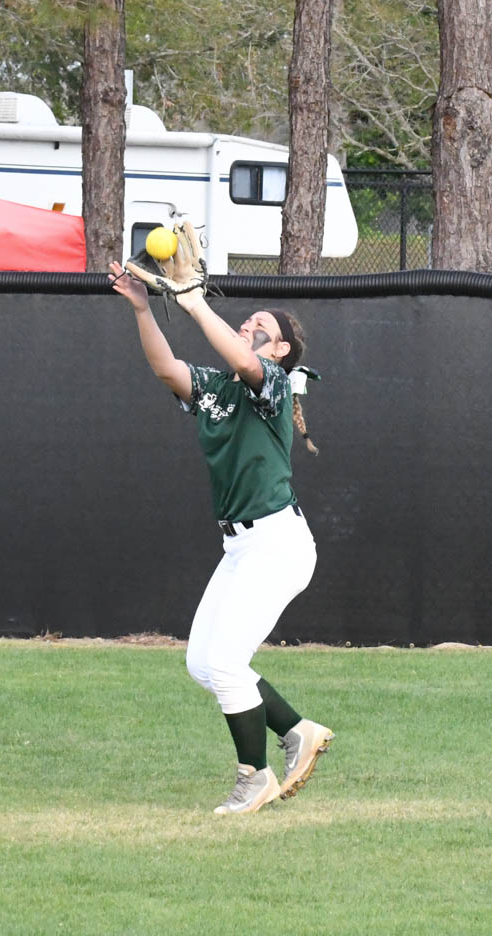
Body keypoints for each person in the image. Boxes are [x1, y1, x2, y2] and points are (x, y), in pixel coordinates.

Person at [108, 260, 334, 815]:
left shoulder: (273, 382)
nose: (249, 327)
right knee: (202, 664)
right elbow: (166, 367)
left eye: (262, 327)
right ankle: (296, 729)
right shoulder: (217, 389)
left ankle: (253, 777)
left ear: (278, 351)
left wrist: (191, 301)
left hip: (277, 543)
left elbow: (240, 358)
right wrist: (143, 308)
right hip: (242, 546)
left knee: (228, 663)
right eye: (249, 320)